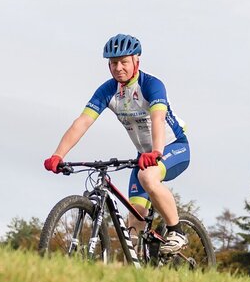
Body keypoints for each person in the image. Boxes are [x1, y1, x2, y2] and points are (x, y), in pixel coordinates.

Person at [43, 33, 190, 254]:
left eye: (124, 62)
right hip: (143, 156)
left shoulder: (152, 85)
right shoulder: (108, 90)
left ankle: (177, 231)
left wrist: (157, 152)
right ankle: (141, 266)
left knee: (147, 177)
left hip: (173, 147)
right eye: (113, 63)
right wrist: (58, 155)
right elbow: (82, 122)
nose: (118, 68)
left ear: (136, 61)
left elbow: (158, 119)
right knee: (134, 223)